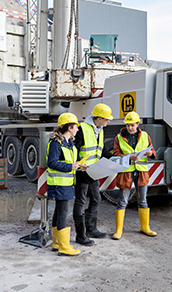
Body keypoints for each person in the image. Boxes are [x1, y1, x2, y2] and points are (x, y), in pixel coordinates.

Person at [112, 111, 157, 240]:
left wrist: (150, 154)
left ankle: (145, 227)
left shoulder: (145, 136)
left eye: (133, 125)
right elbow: (115, 155)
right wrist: (128, 157)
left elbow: (152, 150)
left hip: (141, 172)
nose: (130, 128)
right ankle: (119, 230)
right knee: (123, 201)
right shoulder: (119, 137)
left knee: (142, 200)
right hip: (126, 173)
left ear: (138, 124)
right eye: (128, 125)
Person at [73, 103, 114, 246]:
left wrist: (114, 158)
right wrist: (79, 164)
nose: (109, 121)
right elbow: (74, 151)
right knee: (80, 201)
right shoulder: (82, 129)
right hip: (82, 172)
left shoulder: (100, 130)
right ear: (99, 118)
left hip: (94, 172)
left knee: (96, 199)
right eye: (107, 119)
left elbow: (100, 150)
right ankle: (80, 235)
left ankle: (91, 229)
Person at [47, 112, 86, 256]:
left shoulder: (70, 145)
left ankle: (57, 244)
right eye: (76, 127)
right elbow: (52, 163)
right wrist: (71, 167)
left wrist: (80, 165)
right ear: (69, 127)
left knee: (59, 212)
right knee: (63, 213)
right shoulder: (56, 144)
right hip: (59, 184)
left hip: (66, 183)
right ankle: (64, 247)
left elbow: (70, 162)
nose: (77, 129)